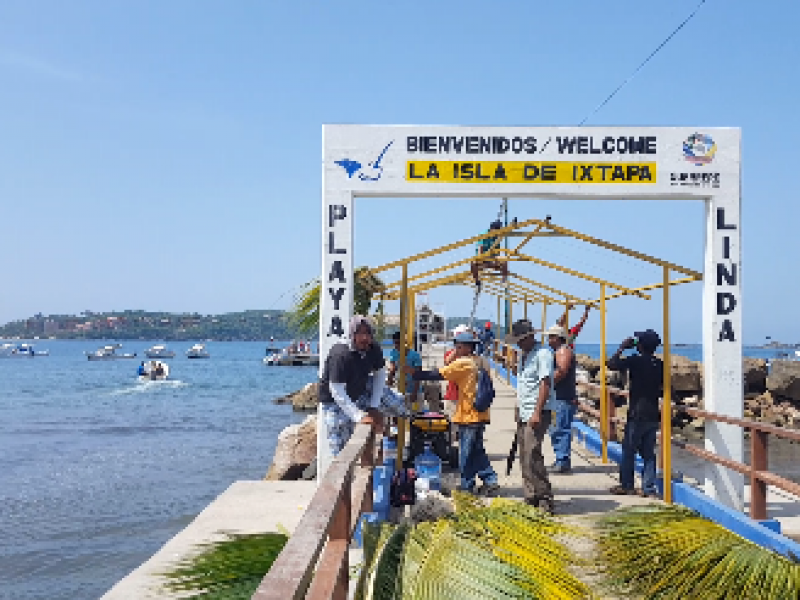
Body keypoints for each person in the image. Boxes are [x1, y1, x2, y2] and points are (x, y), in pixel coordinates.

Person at [411, 331, 499, 496]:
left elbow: (438, 374)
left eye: (458, 347)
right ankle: (490, 480)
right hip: (481, 413)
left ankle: (467, 485)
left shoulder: (463, 363)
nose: (455, 350)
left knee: (465, 453)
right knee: (477, 450)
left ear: (467, 347)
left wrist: (414, 373)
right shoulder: (480, 361)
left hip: (469, 415)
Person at [318, 316, 386, 475]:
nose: (364, 338)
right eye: (360, 333)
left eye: (368, 333)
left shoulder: (373, 348)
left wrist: (374, 407)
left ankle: (385, 440)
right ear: (351, 334)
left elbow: (380, 374)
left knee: (397, 402)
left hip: (357, 392)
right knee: (341, 451)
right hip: (333, 401)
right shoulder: (340, 354)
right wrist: (358, 416)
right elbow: (336, 390)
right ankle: (343, 481)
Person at [506, 319, 557, 514]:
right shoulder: (524, 355)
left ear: (529, 337)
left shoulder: (542, 354)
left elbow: (545, 383)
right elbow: (525, 384)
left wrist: (537, 412)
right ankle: (530, 496)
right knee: (524, 454)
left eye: (520, 339)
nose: (518, 343)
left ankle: (545, 497)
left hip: (537, 411)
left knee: (533, 454)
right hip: (524, 409)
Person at [606, 329, 663, 498]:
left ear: (641, 346)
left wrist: (622, 347)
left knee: (629, 450)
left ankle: (627, 485)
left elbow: (611, 364)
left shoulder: (636, 361)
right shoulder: (659, 364)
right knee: (648, 452)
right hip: (653, 413)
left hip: (637, 413)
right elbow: (666, 387)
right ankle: (648, 488)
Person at [547, 325, 577, 473]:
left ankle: (563, 461)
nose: (548, 340)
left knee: (560, 428)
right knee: (555, 428)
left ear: (558, 338)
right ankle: (560, 458)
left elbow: (561, 372)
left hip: (563, 397)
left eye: (551, 337)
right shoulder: (558, 351)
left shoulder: (563, 351)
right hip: (558, 397)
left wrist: (546, 384)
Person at [470, 220, 508, 289]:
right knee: (473, 263)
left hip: (491, 258)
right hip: (482, 258)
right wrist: (482, 260)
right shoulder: (484, 234)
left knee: (504, 259)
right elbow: (480, 249)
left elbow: (497, 251)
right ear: (492, 229)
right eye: (497, 230)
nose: (498, 232)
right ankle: (477, 282)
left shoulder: (496, 237)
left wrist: (496, 262)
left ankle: (504, 280)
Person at [387, 331, 422, 405]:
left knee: (416, 414)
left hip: (414, 391)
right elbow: (392, 369)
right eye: (395, 343)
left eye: (398, 343)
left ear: (404, 343)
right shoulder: (394, 353)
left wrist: (414, 393)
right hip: (400, 391)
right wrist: (389, 381)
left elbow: (419, 375)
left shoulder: (415, 355)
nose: (396, 346)